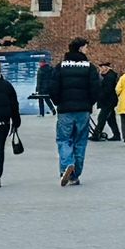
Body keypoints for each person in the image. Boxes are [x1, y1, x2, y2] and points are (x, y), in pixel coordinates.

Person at [48, 37, 101, 186]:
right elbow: (96, 88)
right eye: (85, 47)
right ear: (80, 49)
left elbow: (53, 87)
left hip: (65, 109)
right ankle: (75, 174)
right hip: (83, 110)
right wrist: (90, 103)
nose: (87, 50)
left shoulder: (61, 66)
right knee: (80, 141)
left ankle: (66, 166)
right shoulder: (89, 67)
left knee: (64, 140)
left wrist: (58, 102)